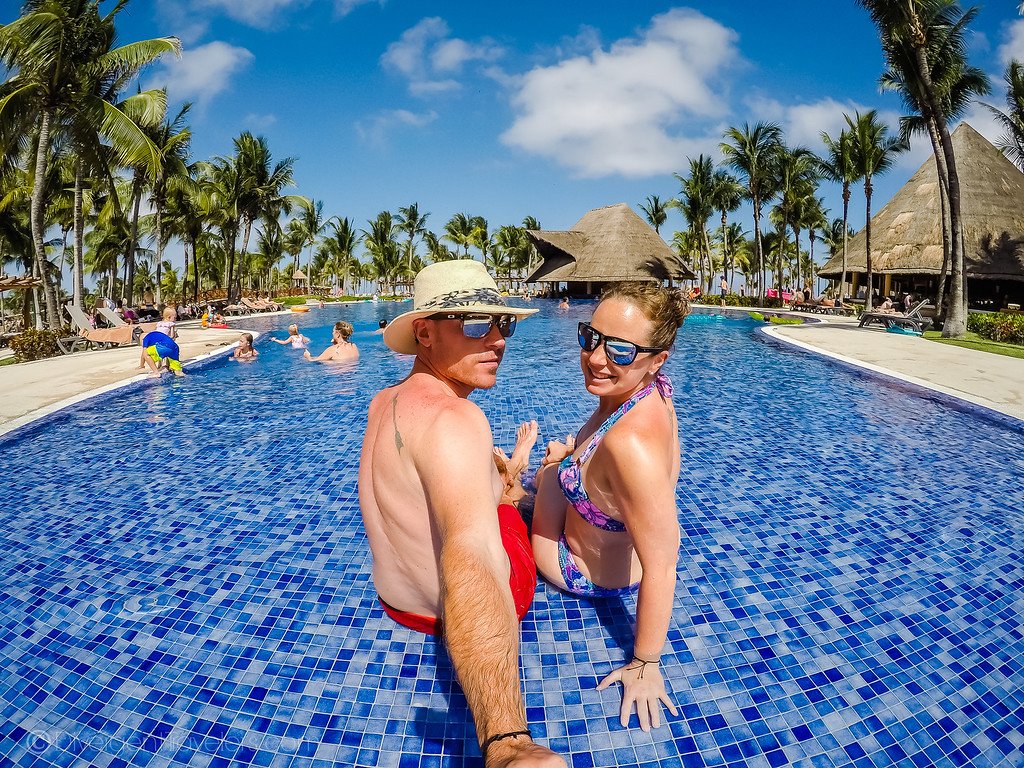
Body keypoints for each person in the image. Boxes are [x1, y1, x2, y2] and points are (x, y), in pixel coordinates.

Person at [359, 260, 564, 767]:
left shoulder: (383, 401)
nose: (497, 339)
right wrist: (507, 739)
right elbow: (470, 557)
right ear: (425, 333)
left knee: (498, 484)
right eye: (475, 323)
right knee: (538, 491)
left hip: (395, 602)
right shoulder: (456, 419)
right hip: (449, 612)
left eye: (504, 323)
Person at [531, 281, 687, 733]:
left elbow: (664, 561)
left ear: (657, 359)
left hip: (580, 569)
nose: (596, 358)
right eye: (591, 338)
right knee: (559, 462)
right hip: (620, 556)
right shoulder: (651, 391)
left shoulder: (629, 443)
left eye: (620, 350)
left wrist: (645, 662)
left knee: (545, 474)